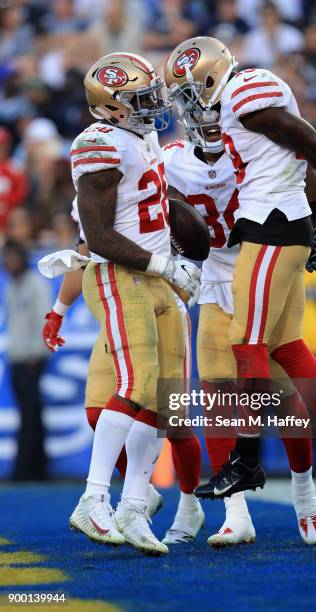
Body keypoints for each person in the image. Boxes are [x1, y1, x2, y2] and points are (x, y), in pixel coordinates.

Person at [164, 36, 316, 505]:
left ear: (210, 78)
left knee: (247, 343)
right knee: (287, 345)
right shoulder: (233, 107)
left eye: (189, 92)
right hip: (277, 223)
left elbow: (311, 146)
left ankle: (246, 459)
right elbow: (298, 159)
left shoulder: (244, 95)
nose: (189, 107)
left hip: (272, 224)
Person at [66, 51, 201, 555]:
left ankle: (133, 504)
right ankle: (93, 498)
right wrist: (164, 265)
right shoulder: (96, 143)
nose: (152, 105)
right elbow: (99, 234)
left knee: (164, 400)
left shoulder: (140, 136)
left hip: (157, 276)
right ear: (111, 107)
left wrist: (176, 258)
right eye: (140, 98)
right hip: (122, 273)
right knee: (137, 382)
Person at [162, 132, 316, 543]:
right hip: (217, 279)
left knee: (282, 394)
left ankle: (304, 492)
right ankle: (236, 513)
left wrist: (310, 226)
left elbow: (305, 175)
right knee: (217, 395)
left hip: (269, 273)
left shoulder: (258, 139)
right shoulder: (173, 159)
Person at [41, 199, 204, 547]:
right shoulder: (94, 181)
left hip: (159, 296)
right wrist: (58, 311)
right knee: (98, 410)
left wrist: (187, 263)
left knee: (169, 417)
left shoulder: (150, 168)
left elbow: (192, 228)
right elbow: (84, 254)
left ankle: (189, 506)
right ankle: (135, 494)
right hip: (117, 299)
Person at [3, 239, 52, 481]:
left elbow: (45, 321)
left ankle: (28, 470)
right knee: (29, 413)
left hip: (32, 360)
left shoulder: (36, 285)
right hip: (17, 359)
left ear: (22, 258)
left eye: (12, 257)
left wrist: (38, 354)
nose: (8, 262)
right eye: (6, 258)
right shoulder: (12, 287)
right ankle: (34, 468)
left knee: (31, 414)